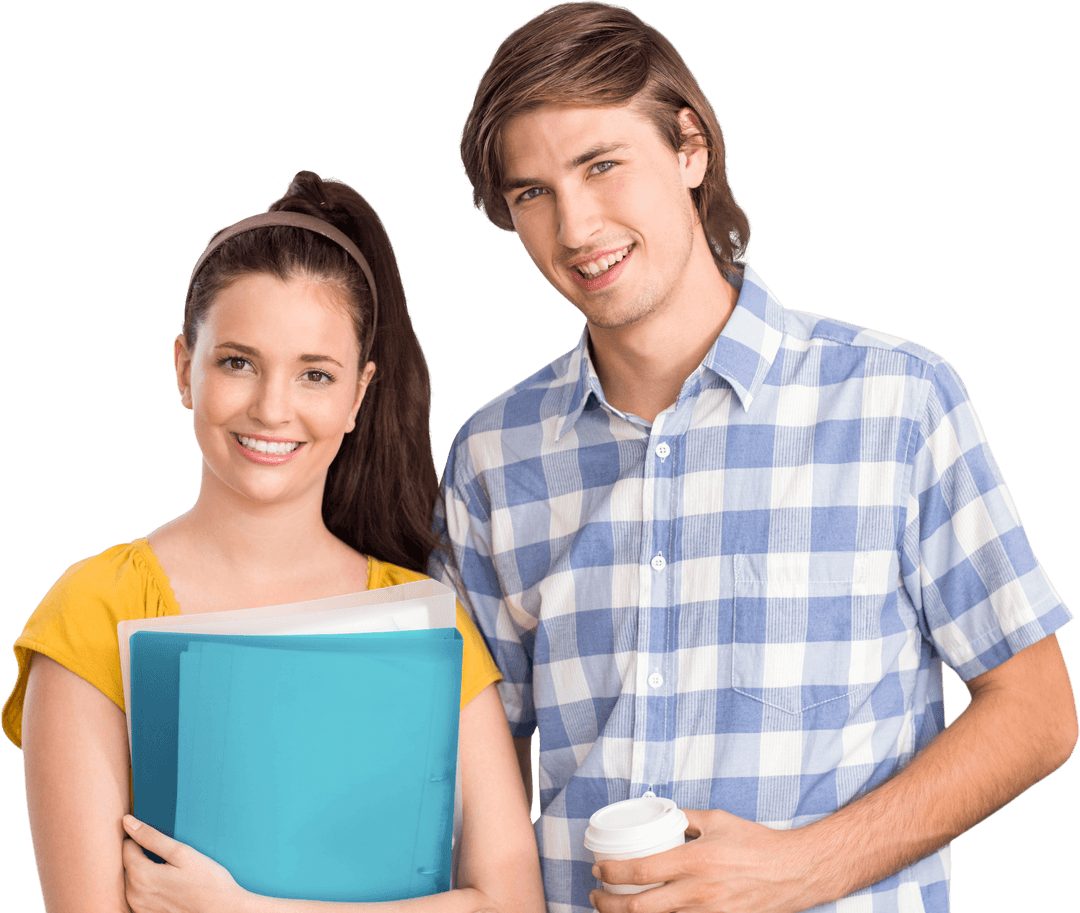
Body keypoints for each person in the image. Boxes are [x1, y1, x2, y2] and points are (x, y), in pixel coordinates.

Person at [430, 4, 1077, 912]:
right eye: (531, 192)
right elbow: (460, 766)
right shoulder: (493, 455)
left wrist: (806, 866)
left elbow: (1039, 711)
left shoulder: (896, 400)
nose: (575, 227)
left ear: (689, 147)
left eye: (602, 164)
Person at [2, 171, 544, 913]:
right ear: (183, 369)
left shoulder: (426, 617)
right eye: (237, 362)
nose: (272, 407)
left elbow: (512, 904)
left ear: (357, 395)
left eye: (315, 374)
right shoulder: (92, 610)